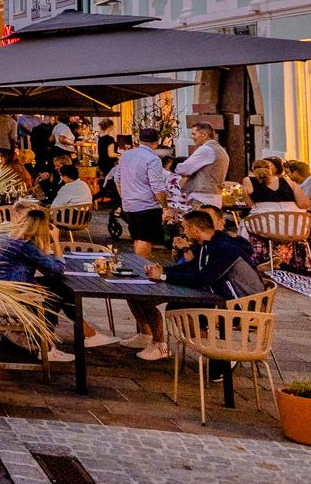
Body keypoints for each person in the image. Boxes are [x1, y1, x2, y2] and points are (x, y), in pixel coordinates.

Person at [125, 208, 266, 362]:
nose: (183, 232)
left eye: (185, 228)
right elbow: (192, 267)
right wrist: (164, 270)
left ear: (194, 229)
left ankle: (218, 354)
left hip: (242, 305)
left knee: (180, 309)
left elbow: (203, 279)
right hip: (224, 297)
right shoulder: (209, 243)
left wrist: (165, 276)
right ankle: (158, 342)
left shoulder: (222, 247)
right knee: (150, 299)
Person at [0, 207, 76, 363]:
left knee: (56, 287)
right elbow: (58, 268)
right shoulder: (25, 245)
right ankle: (48, 347)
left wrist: (31, 283)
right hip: (7, 293)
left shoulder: (6, 235)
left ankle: (78, 333)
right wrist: (56, 240)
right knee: (56, 293)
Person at [112, 127, 173, 263]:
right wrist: (165, 207)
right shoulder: (153, 159)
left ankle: (138, 265)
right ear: (156, 142)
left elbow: (117, 179)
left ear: (138, 140)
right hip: (147, 205)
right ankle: (142, 268)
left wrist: (124, 197)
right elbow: (157, 186)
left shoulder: (126, 155)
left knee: (137, 238)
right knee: (146, 239)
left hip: (129, 205)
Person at [173, 122, 230, 207]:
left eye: (194, 134)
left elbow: (183, 169)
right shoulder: (221, 150)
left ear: (204, 134)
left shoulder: (206, 149)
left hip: (201, 197)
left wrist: (174, 167)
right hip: (215, 196)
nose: (192, 137)